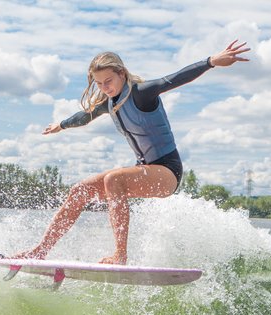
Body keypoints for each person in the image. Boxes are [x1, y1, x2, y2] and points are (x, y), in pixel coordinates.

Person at [14, 40, 250, 264]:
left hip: (168, 171)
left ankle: (120, 254)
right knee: (80, 190)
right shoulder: (108, 103)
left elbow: (174, 79)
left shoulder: (142, 92)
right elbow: (84, 117)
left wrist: (210, 61)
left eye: (108, 81)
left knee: (113, 179)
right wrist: (61, 125)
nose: (104, 87)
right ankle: (40, 250)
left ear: (122, 74)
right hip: (144, 169)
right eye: (98, 83)